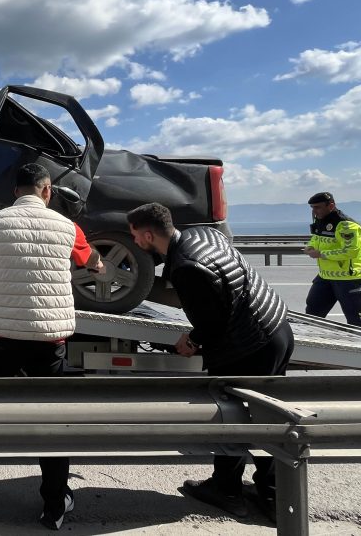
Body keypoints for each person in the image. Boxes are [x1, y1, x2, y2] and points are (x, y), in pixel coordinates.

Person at [0, 163, 102, 531]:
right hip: (49, 342)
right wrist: (99, 263)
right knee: (53, 421)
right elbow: (91, 261)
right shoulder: (68, 226)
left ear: (15, 192)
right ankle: (54, 504)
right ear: (47, 191)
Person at [126, 202, 294, 523]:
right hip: (275, 327)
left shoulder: (186, 267)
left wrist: (190, 341)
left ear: (148, 234)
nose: (134, 243)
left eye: (135, 236)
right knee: (259, 417)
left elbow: (212, 324)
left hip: (249, 345)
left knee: (242, 417)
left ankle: (267, 493)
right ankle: (236, 486)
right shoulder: (200, 234)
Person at [304, 192, 361, 329]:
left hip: (348, 278)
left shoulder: (346, 225)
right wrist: (310, 246)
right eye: (312, 208)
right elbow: (316, 238)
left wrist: (321, 254)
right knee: (312, 313)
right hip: (325, 276)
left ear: (331, 206)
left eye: (317, 207)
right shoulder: (320, 220)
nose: (314, 211)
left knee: (357, 320)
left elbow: (350, 251)